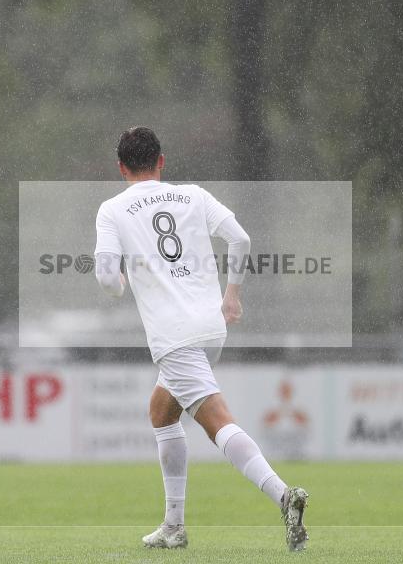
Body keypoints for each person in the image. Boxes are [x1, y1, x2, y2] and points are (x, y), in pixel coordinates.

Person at [93, 127, 308, 552]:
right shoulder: (193, 195)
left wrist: (119, 284)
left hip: (174, 337)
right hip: (211, 327)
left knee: (216, 421)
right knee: (161, 411)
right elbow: (240, 239)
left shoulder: (112, 209)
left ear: (121, 167)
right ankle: (173, 526)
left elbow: (107, 280)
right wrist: (232, 295)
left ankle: (284, 496)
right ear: (161, 161)